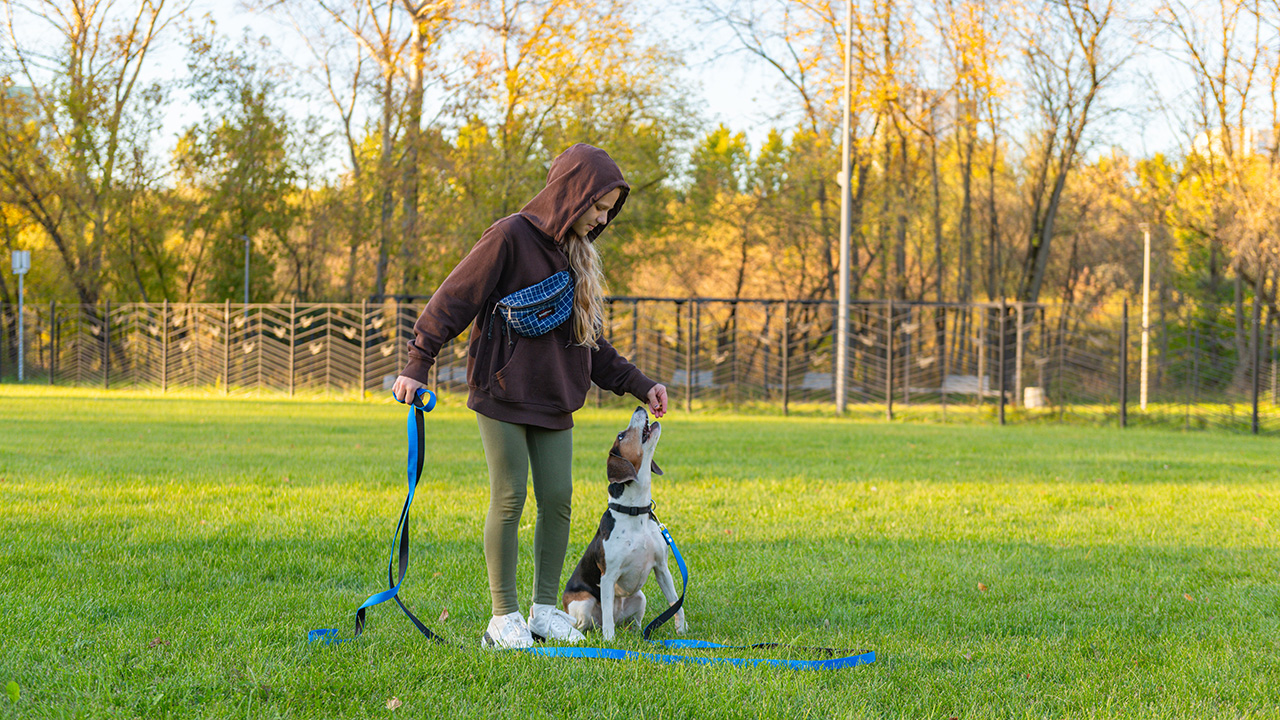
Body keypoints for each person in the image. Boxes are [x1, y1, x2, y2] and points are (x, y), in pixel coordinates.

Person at [390, 143, 668, 649]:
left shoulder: (578, 256)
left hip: (555, 399)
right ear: (573, 193)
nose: (603, 219)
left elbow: (593, 347)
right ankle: (504, 618)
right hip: (501, 392)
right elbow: (453, 299)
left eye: (610, 211)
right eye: (599, 206)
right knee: (511, 496)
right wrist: (417, 363)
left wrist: (641, 384)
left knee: (558, 501)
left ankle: (543, 611)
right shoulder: (509, 236)